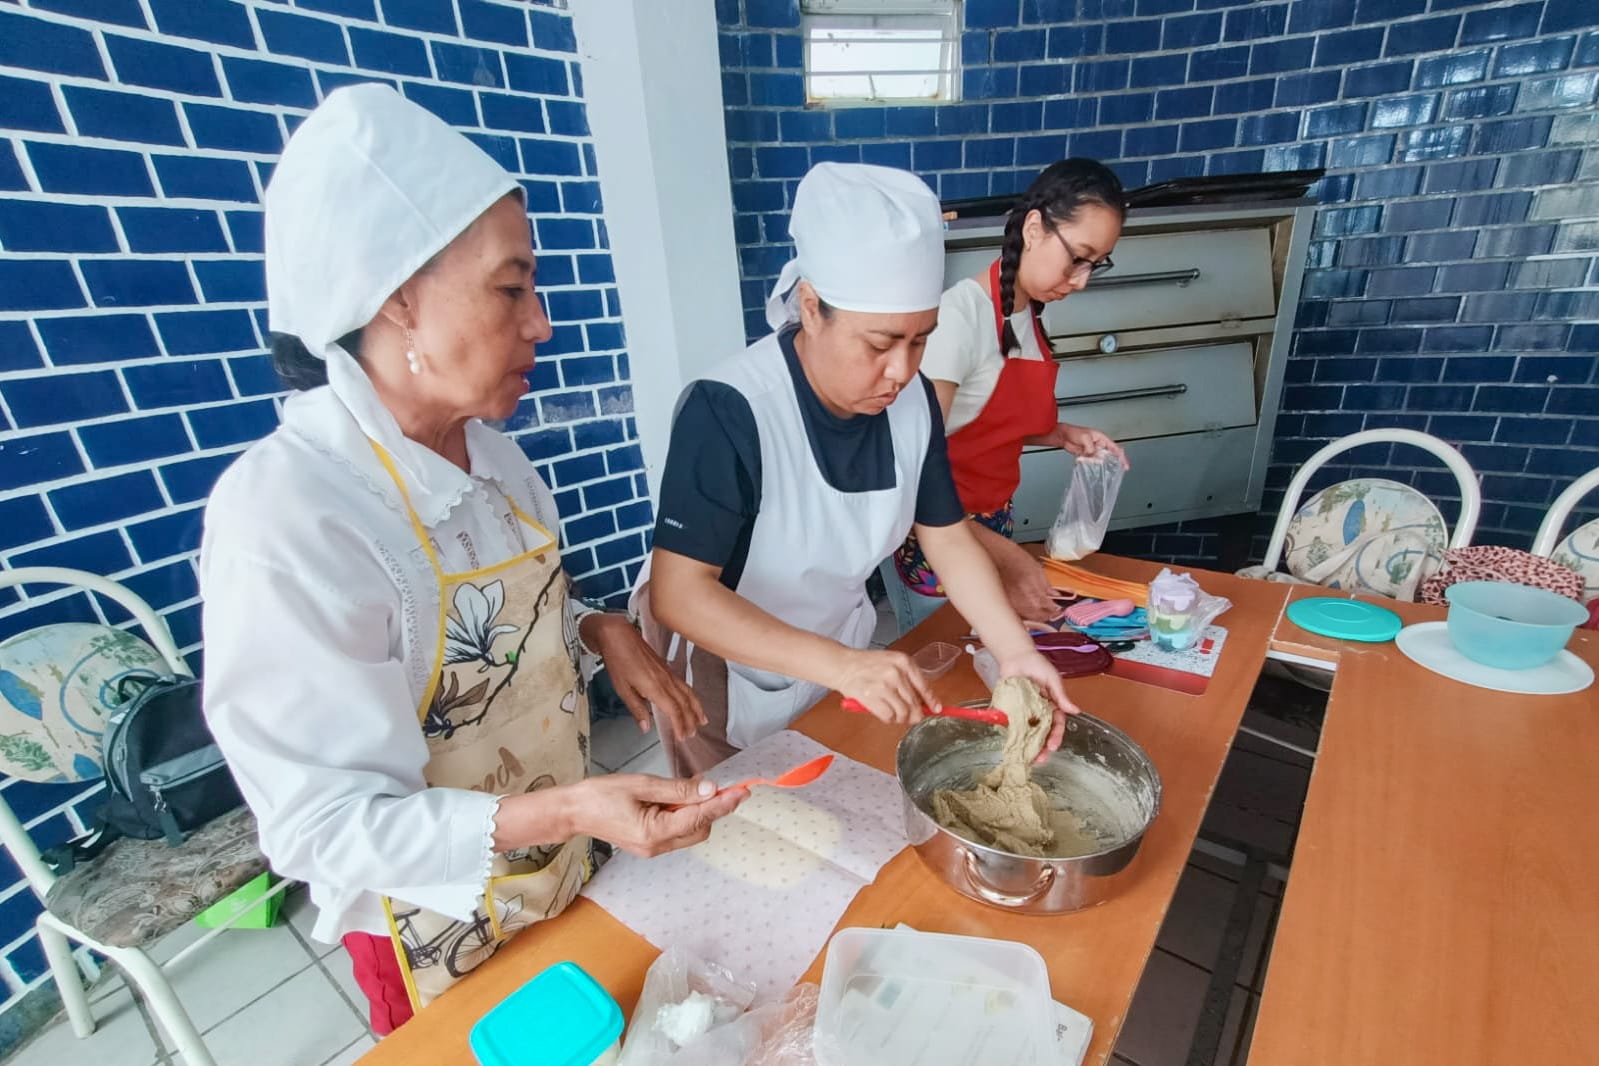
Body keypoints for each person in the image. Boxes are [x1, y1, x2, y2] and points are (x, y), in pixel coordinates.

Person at [198, 85, 744, 1036]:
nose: (541, 323)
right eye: (510, 288)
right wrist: (566, 810)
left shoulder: (496, 459)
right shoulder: (288, 515)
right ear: (397, 299)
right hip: (429, 920)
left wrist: (600, 628)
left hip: (564, 866)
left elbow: (513, 614)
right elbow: (320, 826)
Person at [633, 162, 1078, 777]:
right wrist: (842, 665)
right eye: (879, 343)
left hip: (837, 645)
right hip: (729, 662)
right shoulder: (730, 409)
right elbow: (679, 594)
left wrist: (1015, 651)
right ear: (811, 308)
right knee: (738, 813)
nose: (902, 370)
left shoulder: (914, 404)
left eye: (919, 340)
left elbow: (947, 538)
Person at [886, 160, 1131, 635]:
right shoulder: (959, 318)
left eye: (1096, 264)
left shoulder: (1029, 314)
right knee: (945, 659)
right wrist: (1010, 559)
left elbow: (983, 420)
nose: (1081, 280)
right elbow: (911, 475)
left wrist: (1061, 434)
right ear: (1034, 228)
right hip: (937, 539)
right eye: (1077, 258)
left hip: (993, 524)